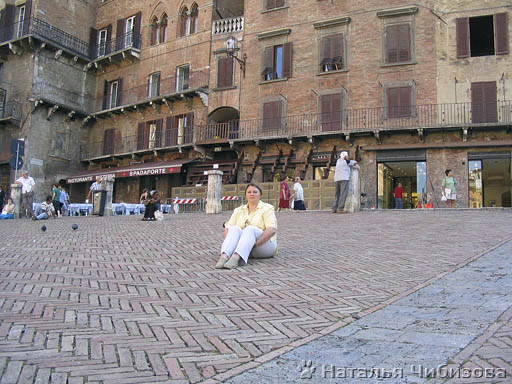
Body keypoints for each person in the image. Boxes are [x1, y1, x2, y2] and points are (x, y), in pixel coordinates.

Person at [216, 183, 277, 270]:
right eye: (249, 192)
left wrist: (253, 244)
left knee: (250, 229)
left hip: (263, 245)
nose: (252, 194)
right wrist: (234, 243)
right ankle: (224, 256)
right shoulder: (238, 210)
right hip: (243, 246)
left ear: (260, 195)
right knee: (234, 229)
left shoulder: (267, 208)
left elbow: (272, 230)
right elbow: (227, 229)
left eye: (255, 192)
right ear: (245, 195)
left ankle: (236, 258)